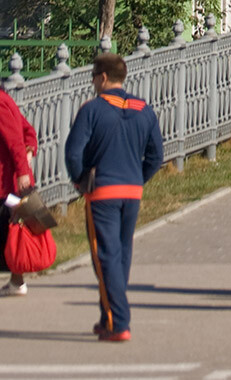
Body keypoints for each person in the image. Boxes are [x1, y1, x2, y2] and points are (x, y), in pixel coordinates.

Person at [64, 52, 164, 341]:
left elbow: (73, 153)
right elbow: (156, 155)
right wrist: (139, 177)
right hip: (132, 191)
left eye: (94, 77)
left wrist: (81, 180)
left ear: (103, 77)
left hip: (102, 191)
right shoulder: (143, 108)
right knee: (121, 254)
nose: (93, 82)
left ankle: (119, 321)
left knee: (104, 256)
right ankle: (106, 314)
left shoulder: (92, 109)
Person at [0, 82, 37, 298]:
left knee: (14, 229)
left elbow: (15, 140)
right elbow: (28, 132)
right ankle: (16, 281)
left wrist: (23, 169)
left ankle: (17, 280)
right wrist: (30, 152)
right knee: (15, 228)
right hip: (12, 181)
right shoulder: (6, 100)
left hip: (8, 183)